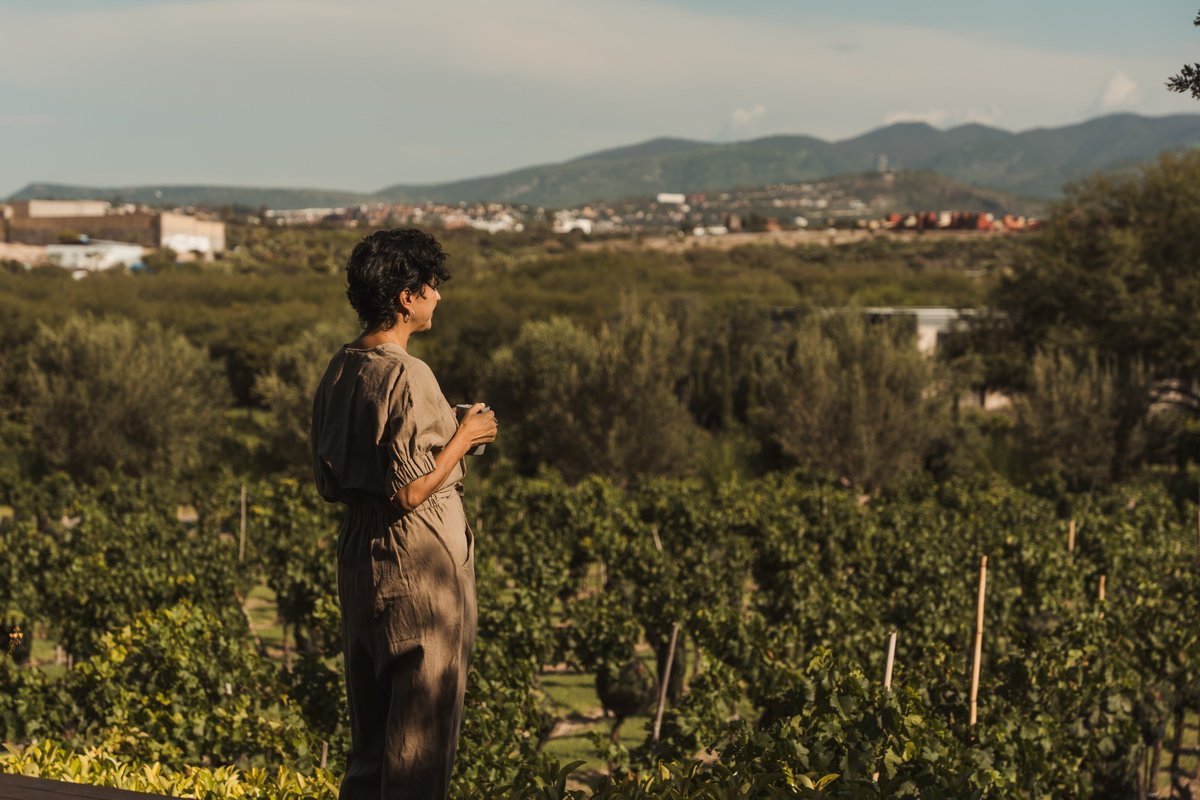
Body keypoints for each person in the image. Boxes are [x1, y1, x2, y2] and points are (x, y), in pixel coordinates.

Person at [310, 228, 497, 800]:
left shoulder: (340, 369)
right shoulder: (406, 373)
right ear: (405, 297)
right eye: (431, 286)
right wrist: (464, 437)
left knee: (371, 746)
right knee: (420, 743)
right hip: (418, 567)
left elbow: (332, 482)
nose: (438, 297)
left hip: (360, 559)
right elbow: (410, 492)